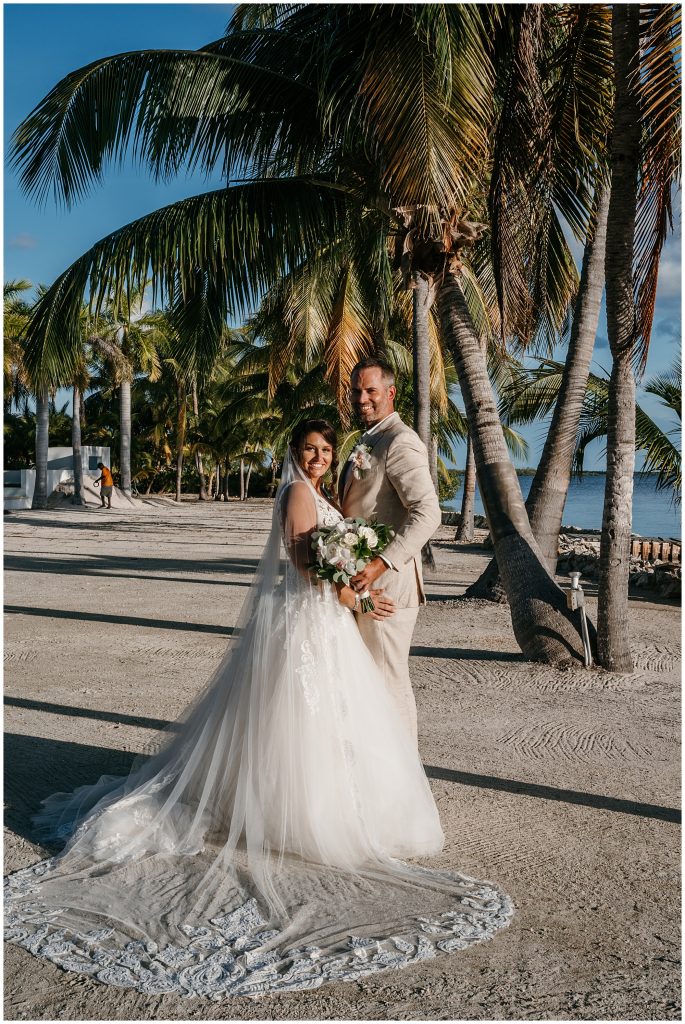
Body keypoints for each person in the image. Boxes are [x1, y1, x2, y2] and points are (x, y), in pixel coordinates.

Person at [5, 420, 511, 998]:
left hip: (324, 621)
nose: (319, 458)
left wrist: (356, 583)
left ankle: (315, 803)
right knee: (298, 721)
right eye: (310, 450)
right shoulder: (299, 493)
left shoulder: (317, 493)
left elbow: (329, 557)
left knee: (325, 720)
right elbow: (304, 564)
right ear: (296, 454)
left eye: (325, 450)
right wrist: (361, 594)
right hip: (308, 619)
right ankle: (294, 812)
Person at [341, 358, 442, 746]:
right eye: (356, 391)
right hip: (363, 582)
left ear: (390, 393)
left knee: (388, 683)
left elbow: (428, 512)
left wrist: (380, 563)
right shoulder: (368, 440)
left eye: (370, 391)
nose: (362, 398)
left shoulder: (399, 440)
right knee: (370, 683)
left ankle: (403, 788)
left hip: (387, 588)